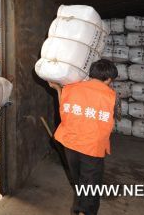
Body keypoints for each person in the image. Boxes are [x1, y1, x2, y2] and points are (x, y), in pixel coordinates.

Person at [48, 59, 118, 215]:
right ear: (108, 79)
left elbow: (64, 108)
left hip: (69, 144)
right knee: (91, 187)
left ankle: (80, 208)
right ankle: (84, 211)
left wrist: (58, 89)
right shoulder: (110, 95)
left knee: (80, 181)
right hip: (91, 147)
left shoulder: (71, 87)